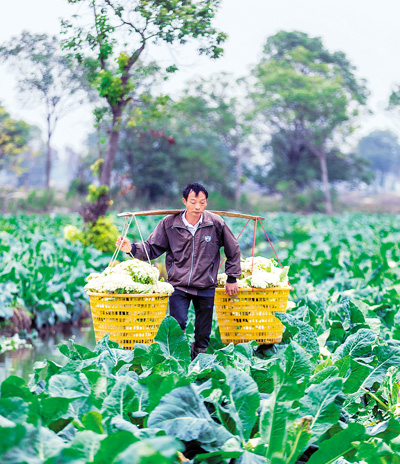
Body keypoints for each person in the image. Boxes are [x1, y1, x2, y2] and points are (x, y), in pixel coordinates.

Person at [116, 182, 241, 360]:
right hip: (178, 284)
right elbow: (152, 247)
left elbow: (233, 249)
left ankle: (199, 360)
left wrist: (232, 278)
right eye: (193, 202)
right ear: (184, 201)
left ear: (206, 202)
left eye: (202, 203)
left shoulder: (215, 223)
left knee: (203, 330)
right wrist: (131, 249)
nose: (197, 207)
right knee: (178, 323)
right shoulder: (169, 223)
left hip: (206, 284)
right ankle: (178, 360)